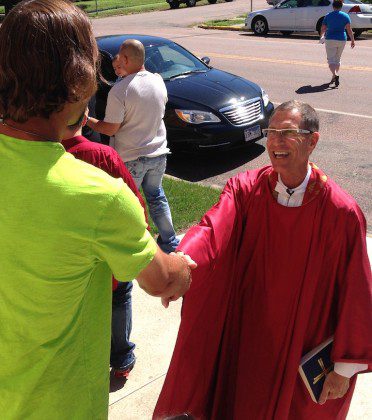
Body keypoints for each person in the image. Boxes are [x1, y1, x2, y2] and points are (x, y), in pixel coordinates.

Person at [0, 1, 194, 418]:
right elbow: (162, 280)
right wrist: (181, 266)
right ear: (78, 82)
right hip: (58, 403)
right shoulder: (98, 195)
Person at [154, 100, 371, 419]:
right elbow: (212, 229)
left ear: (312, 141)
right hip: (249, 335)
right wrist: (183, 264)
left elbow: (358, 293)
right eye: (271, 132)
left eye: (287, 133)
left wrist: (344, 368)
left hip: (303, 341)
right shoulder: (244, 191)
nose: (275, 142)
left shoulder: (341, 213)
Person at [62, 118, 146, 379]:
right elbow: (136, 206)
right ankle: (121, 358)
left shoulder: (47, 157)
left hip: (69, 258)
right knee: (119, 298)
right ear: (84, 116)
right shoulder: (104, 155)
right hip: (110, 257)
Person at [86, 39, 180, 254]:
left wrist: (88, 119)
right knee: (156, 197)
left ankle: (132, 247)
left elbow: (110, 129)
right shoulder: (158, 81)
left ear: (126, 58)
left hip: (131, 158)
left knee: (129, 205)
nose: (116, 60)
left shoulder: (120, 90)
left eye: (119, 55)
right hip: (158, 154)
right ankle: (171, 243)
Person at [320, 0, 355, 87]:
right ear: (341, 6)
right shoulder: (345, 16)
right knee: (337, 59)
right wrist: (352, 40)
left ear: (333, 6)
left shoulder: (328, 16)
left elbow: (323, 28)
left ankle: (335, 75)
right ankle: (334, 76)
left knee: (331, 60)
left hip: (330, 39)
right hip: (342, 39)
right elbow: (349, 30)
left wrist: (321, 36)